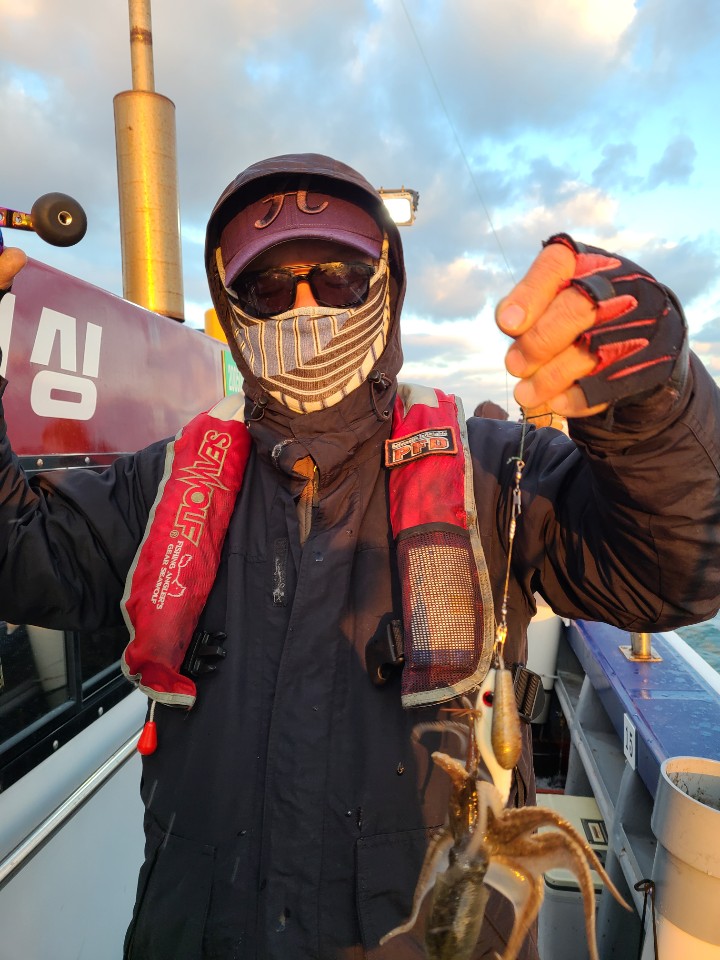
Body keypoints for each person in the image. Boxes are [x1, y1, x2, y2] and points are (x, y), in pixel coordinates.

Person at [1, 152, 719, 960]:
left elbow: (674, 569)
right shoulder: (163, 482)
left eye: (339, 279)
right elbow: (20, 556)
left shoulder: (495, 472)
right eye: (268, 288)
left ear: (386, 287)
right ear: (233, 311)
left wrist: (655, 406)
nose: (305, 305)